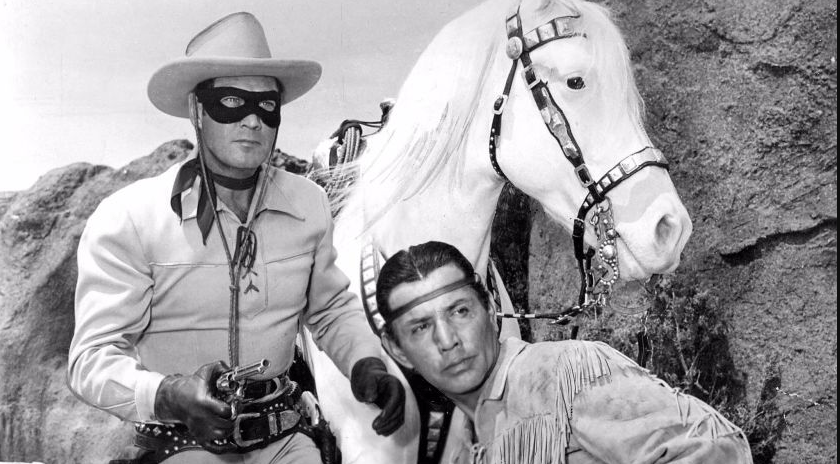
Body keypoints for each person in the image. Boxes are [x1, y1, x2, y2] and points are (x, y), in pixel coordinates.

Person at [67, 12, 404, 464]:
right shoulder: (129, 218)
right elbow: (90, 359)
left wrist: (366, 363)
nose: (251, 120)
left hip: (283, 438)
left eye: (266, 105)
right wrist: (169, 394)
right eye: (230, 101)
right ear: (197, 111)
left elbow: (329, 309)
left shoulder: (309, 204)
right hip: (181, 443)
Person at [377, 241, 754, 464]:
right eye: (421, 327)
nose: (447, 340)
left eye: (460, 311)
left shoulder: (563, 374)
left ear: (490, 309)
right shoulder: (464, 446)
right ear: (397, 349)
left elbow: (714, 450)